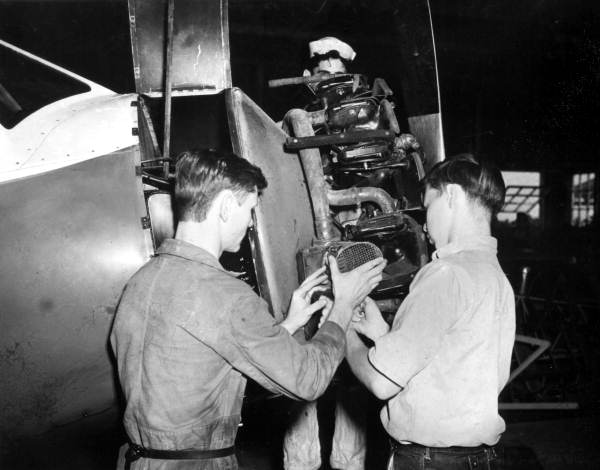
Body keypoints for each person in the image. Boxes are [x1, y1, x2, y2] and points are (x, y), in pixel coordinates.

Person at [110, 149, 386, 470]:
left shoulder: (142, 281)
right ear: (227, 205)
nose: (251, 223)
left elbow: (206, 363)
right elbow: (309, 379)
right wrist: (344, 306)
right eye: (250, 209)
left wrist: (290, 323)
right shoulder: (225, 294)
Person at [345, 155, 516, 469]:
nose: (424, 224)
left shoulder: (446, 273)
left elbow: (381, 383)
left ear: (451, 194)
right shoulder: (495, 276)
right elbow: (453, 368)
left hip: (430, 461)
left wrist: (342, 329)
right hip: (480, 460)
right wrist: (382, 334)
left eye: (428, 207)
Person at [283, 37, 369, 470]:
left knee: (351, 384)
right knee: (302, 384)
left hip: (348, 270)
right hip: (303, 275)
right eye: (322, 71)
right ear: (306, 76)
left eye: (338, 73)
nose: (330, 81)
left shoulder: (363, 135)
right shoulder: (288, 129)